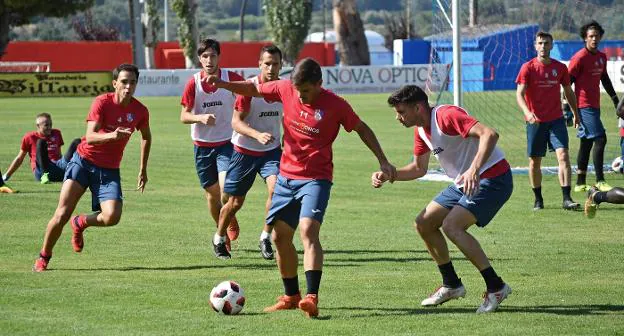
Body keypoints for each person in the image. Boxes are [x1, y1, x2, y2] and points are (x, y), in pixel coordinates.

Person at [207, 57, 396, 318]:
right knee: (279, 237)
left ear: (319, 84)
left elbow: (362, 129)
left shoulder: (336, 105)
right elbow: (252, 89)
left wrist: (383, 160)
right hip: (286, 176)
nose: (301, 96)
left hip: (316, 179)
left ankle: (311, 297)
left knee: (308, 230)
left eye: (306, 91)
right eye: (298, 91)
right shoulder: (286, 88)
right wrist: (224, 84)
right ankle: (291, 296)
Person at [372, 85, 513, 313]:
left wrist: (474, 169)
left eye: (402, 112)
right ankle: (452, 284)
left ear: (418, 107)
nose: (398, 118)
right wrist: (390, 174)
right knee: (423, 223)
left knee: (452, 226)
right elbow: (418, 169)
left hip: (493, 177)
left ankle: (496, 286)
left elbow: (490, 134)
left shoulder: (447, 115)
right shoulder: (420, 131)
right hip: (464, 182)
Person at [32, 63, 152, 272]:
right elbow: (90, 136)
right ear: (115, 83)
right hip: (83, 162)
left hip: (109, 170)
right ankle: (44, 257)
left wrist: (143, 169)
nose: (128, 87)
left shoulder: (140, 111)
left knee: (112, 217)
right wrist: (112, 136)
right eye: (124, 82)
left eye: (133, 82)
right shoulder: (102, 103)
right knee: (61, 215)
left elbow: (146, 137)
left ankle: (81, 223)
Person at [213, 45, 283, 260]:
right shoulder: (249, 89)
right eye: (267, 63)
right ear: (259, 64)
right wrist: (257, 134)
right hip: (244, 151)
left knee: (277, 191)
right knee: (234, 203)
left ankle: (265, 237)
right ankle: (219, 238)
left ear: (281, 65)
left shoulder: (284, 89)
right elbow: (236, 122)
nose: (271, 68)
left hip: (271, 152)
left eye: (275, 64)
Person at [180, 38, 244, 248]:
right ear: (200, 58)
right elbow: (183, 116)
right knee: (212, 197)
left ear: (219, 57)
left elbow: (249, 93)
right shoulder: (193, 83)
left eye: (213, 55)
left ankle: (224, 227)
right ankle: (224, 227)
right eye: (205, 56)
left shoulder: (230, 78)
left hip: (227, 144)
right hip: (202, 147)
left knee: (226, 190)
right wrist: (200, 118)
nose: (209, 60)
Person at [516, 31, 580, 211]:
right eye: (540, 43)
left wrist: (576, 113)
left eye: (546, 43)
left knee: (564, 156)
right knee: (535, 161)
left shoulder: (560, 68)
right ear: (535, 46)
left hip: (556, 120)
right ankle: (538, 199)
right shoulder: (527, 68)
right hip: (535, 122)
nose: (543, 46)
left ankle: (567, 199)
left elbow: (569, 92)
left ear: (552, 46)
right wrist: (528, 113)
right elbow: (519, 94)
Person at [569, 21, 620, 193]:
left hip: (595, 105)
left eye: (597, 36)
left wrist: (615, 99)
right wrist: (567, 107)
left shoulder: (601, 57)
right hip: (583, 106)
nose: (594, 39)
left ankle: (580, 182)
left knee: (586, 142)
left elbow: (604, 78)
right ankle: (600, 180)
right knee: (600, 138)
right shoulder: (579, 57)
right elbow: (568, 82)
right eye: (591, 36)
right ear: (585, 38)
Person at [4, 113, 80, 184]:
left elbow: (59, 154)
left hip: (58, 167)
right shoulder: (30, 137)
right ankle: (45, 175)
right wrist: (6, 176)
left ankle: (84, 172)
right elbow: (19, 158)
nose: (49, 127)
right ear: (38, 126)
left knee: (77, 142)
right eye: (46, 125)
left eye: (51, 124)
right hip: (41, 170)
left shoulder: (56, 133)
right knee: (41, 142)